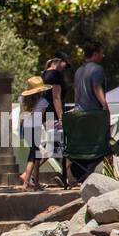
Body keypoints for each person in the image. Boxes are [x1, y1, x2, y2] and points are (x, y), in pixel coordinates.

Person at [17, 76, 56, 190]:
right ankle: (26, 182)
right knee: (33, 155)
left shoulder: (22, 99)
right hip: (36, 128)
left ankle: (36, 183)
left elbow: (21, 115)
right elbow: (43, 117)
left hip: (26, 128)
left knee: (36, 154)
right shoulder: (43, 102)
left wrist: (21, 131)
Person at [42, 54, 71, 186]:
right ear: (59, 61)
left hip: (46, 115)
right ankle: (27, 174)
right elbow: (56, 97)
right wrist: (61, 117)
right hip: (53, 116)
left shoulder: (44, 74)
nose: (65, 68)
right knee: (59, 146)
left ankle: (67, 177)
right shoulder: (55, 75)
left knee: (56, 146)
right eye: (65, 64)